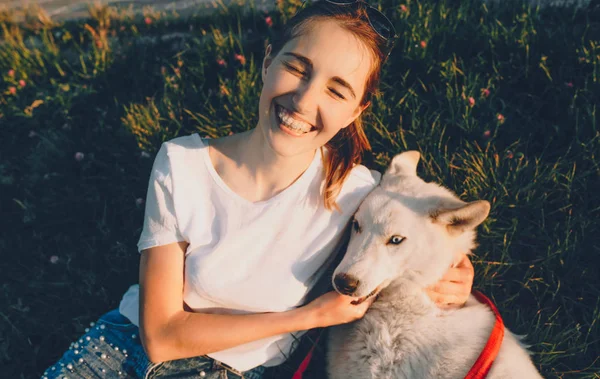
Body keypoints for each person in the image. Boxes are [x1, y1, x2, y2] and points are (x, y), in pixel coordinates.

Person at [41, 2, 475, 378]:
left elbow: (418, 230)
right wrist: (311, 316)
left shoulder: (356, 192)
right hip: (121, 349)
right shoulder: (181, 164)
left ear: (356, 110)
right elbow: (160, 336)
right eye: (296, 67)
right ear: (268, 62)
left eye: (336, 90)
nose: (304, 101)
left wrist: (458, 271)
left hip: (233, 373)